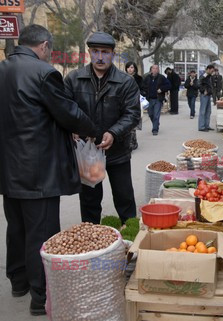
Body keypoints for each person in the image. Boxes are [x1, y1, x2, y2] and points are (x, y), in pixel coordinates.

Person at [0, 24, 98, 316]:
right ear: (44, 46)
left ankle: (18, 282)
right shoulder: (44, 73)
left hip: (8, 166)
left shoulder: (3, 69)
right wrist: (92, 130)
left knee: (16, 227)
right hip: (38, 169)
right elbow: (67, 113)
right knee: (40, 233)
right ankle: (40, 297)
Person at [64, 31, 141, 226]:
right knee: (89, 201)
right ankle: (91, 237)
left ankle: (132, 237)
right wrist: (71, 128)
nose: (100, 57)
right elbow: (65, 109)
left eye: (105, 52)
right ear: (89, 52)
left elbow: (132, 114)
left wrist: (114, 132)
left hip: (117, 151)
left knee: (124, 198)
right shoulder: (73, 79)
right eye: (96, 51)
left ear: (113, 54)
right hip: (87, 151)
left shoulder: (126, 82)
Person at [140, 65, 171, 135]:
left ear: (158, 70)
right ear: (151, 70)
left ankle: (155, 130)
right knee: (151, 114)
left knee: (156, 115)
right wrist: (144, 93)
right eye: (153, 68)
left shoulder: (162, 77)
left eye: (157, 68)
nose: (155, 70)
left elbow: (169, 85)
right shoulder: (147, 78)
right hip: (149, 99)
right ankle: (156, 123)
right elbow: (142, 87)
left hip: (158, 99)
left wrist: (162, 89)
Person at [125, 61, 143, 150]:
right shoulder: (122, 77)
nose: (130, 69)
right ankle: (131, 142)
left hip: (135, 103)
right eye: (128, 67)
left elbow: (143, 89)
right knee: (127, 123)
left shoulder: (139, 79)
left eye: (132, 67)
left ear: (135, 68)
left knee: (133, 123)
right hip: (124, 103)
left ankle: (132, 143)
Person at [198, 64, 215, 131]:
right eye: (211, 70)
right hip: (204, 95)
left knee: (208, 111)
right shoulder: (204, 75)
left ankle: (207, 125)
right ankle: (201, 127)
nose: (212, 72)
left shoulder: (209, 76)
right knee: (203, 111)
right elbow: (199, 84)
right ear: (208, 69)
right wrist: (203, 90)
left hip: (209, 94)